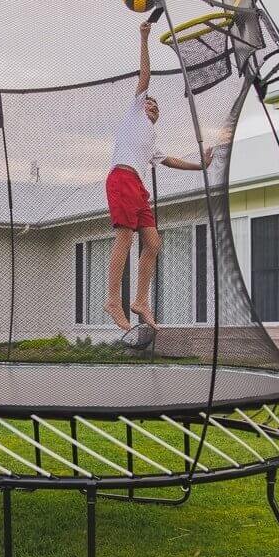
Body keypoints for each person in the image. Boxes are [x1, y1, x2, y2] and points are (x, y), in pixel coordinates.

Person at [105, 19, 222, 331]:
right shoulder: (133, 115)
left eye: (156, 108)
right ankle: (113, 300)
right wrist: (143, 36)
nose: (152, 108)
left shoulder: (150, 139)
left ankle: (140, 301)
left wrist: (200, 166)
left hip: (137, 186)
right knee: (125, 238)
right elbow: (145, 75)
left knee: (154, 243)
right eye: (149, 104)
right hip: (122, 178)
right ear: (140, 105)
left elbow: (169, 160)